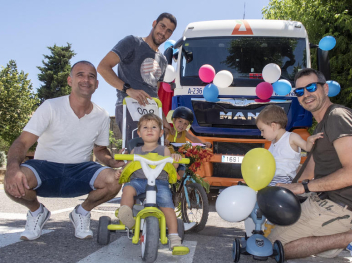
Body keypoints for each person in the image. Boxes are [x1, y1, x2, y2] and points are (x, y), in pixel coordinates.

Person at [267, 68, 352, 263]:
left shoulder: (338, 117)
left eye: (311, 87)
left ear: (325, 88)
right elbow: (308, 171)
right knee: (271, 234)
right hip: (323, 201)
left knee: (274, 247)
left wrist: (303, 188)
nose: (305, 94)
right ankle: (330, 242)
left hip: (343, 206)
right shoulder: (321, 127)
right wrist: (279, 191)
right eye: (299, 91)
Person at [4, 61, 124, 241]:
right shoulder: (50, 106)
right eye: (80, 75)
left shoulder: (102, 115)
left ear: (97, 84)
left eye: (91, 76)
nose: (86, 80)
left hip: (80, 170)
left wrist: (112, 162)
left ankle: (81, 212)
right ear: (70, 80)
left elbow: (99, 150)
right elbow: (22, 142)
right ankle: (37, 212)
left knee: (114, 180)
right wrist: (12, 167)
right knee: (12, 181)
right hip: (44, 169)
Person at [97, 12, 177, 146]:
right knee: (134, 156)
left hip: (152, 113)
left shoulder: (163, 60)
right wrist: (128, 89)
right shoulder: (133, 42)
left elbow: (154, 95)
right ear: (154, 24)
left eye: (169, 31)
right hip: (130, 108)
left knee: (154, 159)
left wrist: (163, 120)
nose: (163, 33)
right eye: (162, 26)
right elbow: (102, 67)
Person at [117, 113, 184, 249]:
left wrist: (175, 158)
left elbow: (172, 167)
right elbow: (127, 166)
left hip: (160, 183)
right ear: (139, 133)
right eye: (145, 127)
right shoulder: (135, 150)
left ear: (160, 133)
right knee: (128, 188)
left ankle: (174, 236)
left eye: (154, 127)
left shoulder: (164, 150)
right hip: (139, 181)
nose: (149, 130)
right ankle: (126, 214)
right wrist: (120, 170)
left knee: (167, 204)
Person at [255, 104, 323, 236]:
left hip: (284, 181)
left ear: (273, 126)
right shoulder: (273, 144)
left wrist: (309, 140)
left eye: (262, 130)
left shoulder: (291, 137)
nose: (261, 134)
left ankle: (271, 225)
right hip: (271, 179)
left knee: (268, 204)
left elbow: (307, 148)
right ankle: (266, 226)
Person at [164, 106, 212, 177]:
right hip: (169, 158)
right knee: (168, 175)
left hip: (181, 159)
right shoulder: (168, 130)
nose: (182, 125)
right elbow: (160, 137)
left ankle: (182, 186)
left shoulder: (184, 132)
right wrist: (164, 140)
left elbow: (193, 138)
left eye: (185, 124)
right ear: (174, 120)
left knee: (182, 178)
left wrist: (203, 144)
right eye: (180, 121)